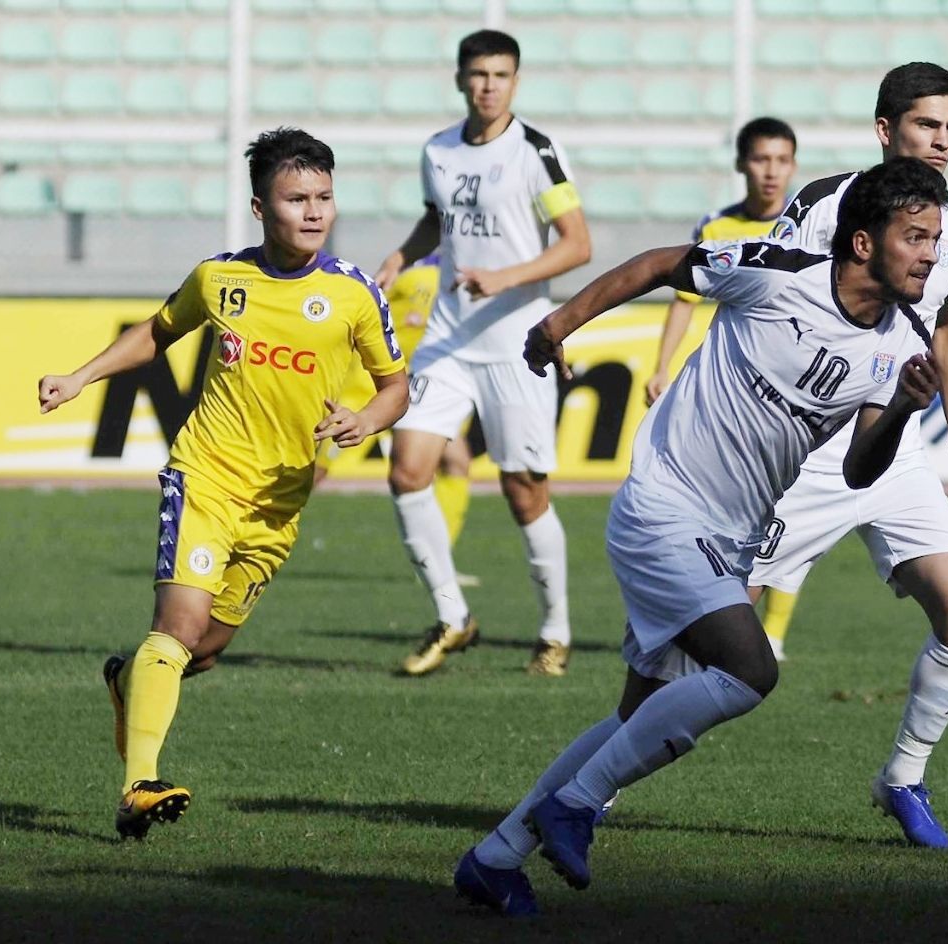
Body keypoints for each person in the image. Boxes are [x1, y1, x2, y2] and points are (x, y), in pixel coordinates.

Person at [454, 156, 948, 915]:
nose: (929, 254)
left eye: (935, 240)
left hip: (731, 536)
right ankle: (576, 804)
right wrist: (557, 322)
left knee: (638, 711)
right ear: (861, 242)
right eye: (914, 236)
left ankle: (496, 858)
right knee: (749, 669)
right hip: (664, 503)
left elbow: (858, 468)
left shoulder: (900, 344)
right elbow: (658, 265)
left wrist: (908, 409)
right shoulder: (777, 273)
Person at [36, 128, 409, 839]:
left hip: (280, 503)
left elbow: (397, 387)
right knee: (174, 630)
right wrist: (80, 376)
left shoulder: (354, 294)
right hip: (205, 475)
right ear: (259, 206)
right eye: (296, 198)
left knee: (201, 650)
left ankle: (124, 682)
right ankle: (136, 785)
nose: (313, 211)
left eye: (324, 197)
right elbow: (156, 331)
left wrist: (367, 418)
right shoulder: (221, 279)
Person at [750, 62, 948, 849]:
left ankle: (904, 779)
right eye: (928, 125)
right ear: (886, 130)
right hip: (807, 456)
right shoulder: (824, 205)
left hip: (893, 453)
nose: (942, 141)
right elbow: (769, 302)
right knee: (710, 635)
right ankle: (597, 786)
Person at [374, 29, 592, 678]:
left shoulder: (535, 151)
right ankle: (451, 616)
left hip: (516, 342)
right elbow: (435, 222)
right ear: (459, 80)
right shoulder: (437, 151)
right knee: (406, 469)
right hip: (449, 337)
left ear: (515, 82)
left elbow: (577, 244)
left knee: (523, 492)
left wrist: (505, 277)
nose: (487, 86)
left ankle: (554, 631)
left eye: (499, 75)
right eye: (476, 74)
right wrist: (401, 254)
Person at [316, 252, 476, 562]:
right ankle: (268, 523)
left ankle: (436, 563)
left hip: (425, 392)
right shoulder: (413, 273)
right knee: (318, 468)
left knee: (456, 462)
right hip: (371, 392)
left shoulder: (468, 274)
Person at [644, 117, 798, 406]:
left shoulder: (805, 223)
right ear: (740, 164)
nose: (772, 172)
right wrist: (662, 367)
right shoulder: (716, 227)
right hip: (735, 373)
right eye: (761, 160)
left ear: (794, 166)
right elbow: (684, 301)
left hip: (792, 371)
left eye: (782, 160)